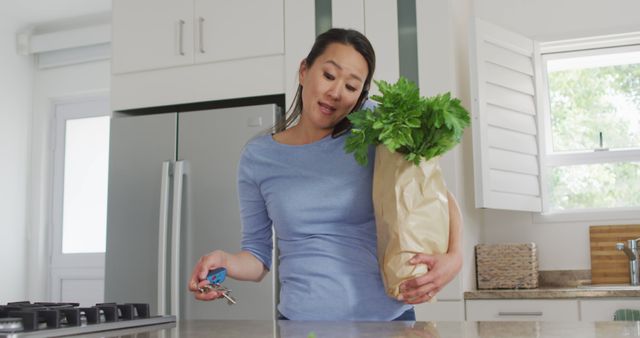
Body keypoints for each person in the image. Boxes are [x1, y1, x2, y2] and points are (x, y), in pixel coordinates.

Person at [188, 28, 463, 321]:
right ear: (304, 71)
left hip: (387, 324)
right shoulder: (258, 157)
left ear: (361, 96)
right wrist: (225, 261)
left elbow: (435, 195)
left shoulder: (374, 129)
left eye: (351, 86)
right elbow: (257, 257)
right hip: (302, 325)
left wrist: (454, 258)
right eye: (329, 76)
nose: (335, 93)